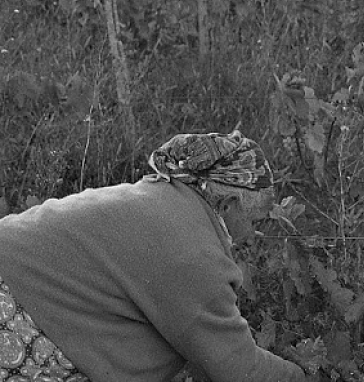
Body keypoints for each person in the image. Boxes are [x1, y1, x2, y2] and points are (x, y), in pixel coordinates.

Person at [0, 131, 307, 382]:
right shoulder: (193, 250)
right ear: (227, 204)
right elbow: (236, 368)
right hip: (14, 310)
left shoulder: (164, 196)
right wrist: (305, 376)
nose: (254, 233)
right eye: (256, 220)